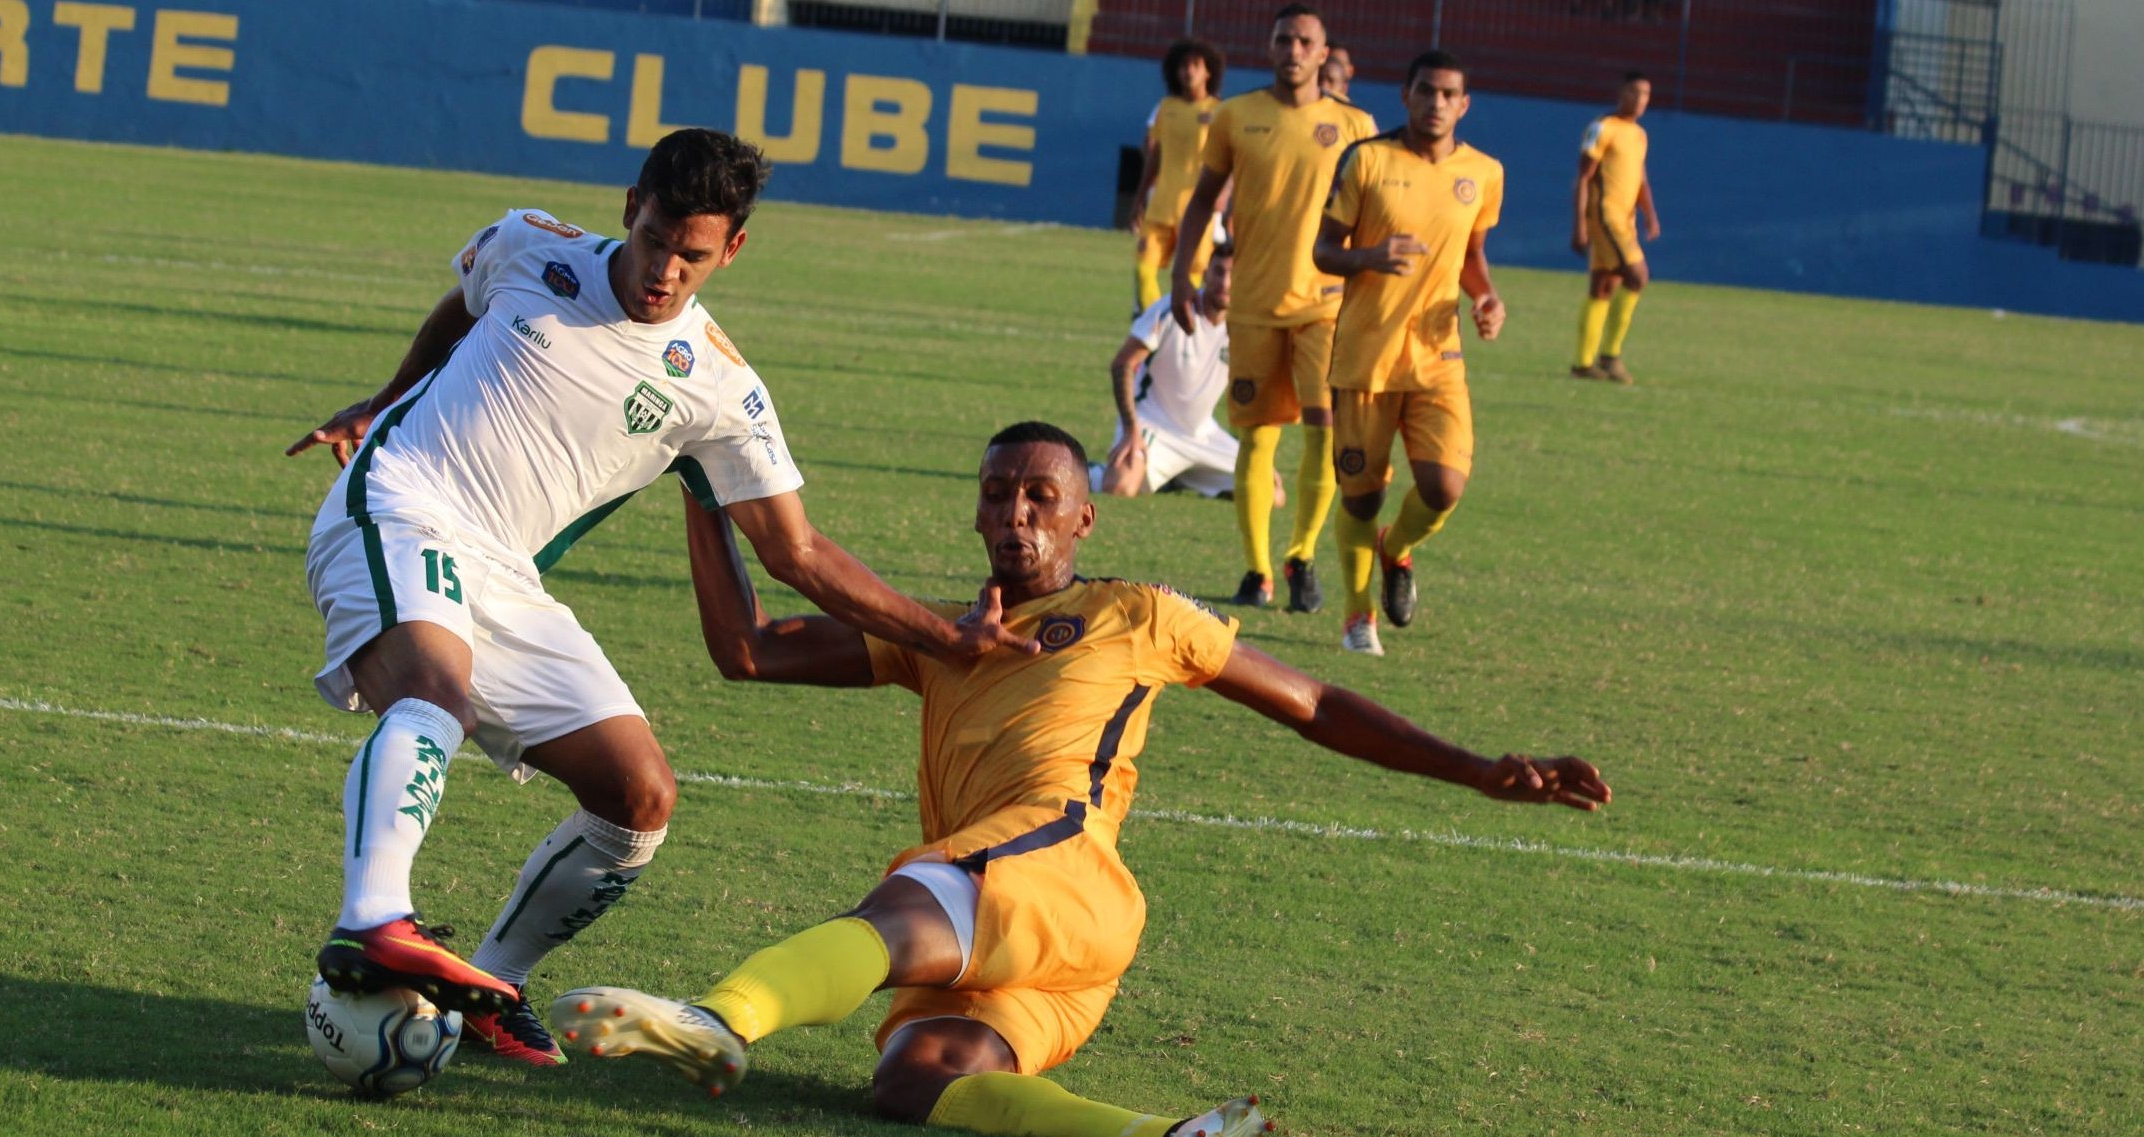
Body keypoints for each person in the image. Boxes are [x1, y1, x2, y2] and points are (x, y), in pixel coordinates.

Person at [549, 422, 1610, 1137]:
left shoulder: (1135, 614)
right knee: (913, 1078)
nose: (1016, 513)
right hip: (1033, 944)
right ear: (973, 514)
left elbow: (1314, 703)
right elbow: (745, 649)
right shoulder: (937, 638)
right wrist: (708, 488)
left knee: (900, 907)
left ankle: (719, 1018)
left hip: (1054, 872)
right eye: (997, 494)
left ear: (1081, 518)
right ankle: (1170, 1136)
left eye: (1040, 497)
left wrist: (1477, 771)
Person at [281, 128, 1033, 1067]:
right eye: (656, 241)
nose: (666, 271)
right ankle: (374, 916)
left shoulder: (721, 389)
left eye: (694, 256)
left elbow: (794, 550)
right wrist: (385, 397)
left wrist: (944, 636)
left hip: (504, 574)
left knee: (638, 797)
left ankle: (490, 982)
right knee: (435, 692)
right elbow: (460, 307)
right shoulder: (532, 244)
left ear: (734, 251)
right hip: (400, 503)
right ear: (631, 205)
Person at [1171, 4, 1376, 614]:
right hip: (1254, 303)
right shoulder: (1237, 115)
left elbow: (1374, 213)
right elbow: (1202, 201)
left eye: (1304, 41)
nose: (1293, 49)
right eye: (1283, 39)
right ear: (1270, 48)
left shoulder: (1357, 124)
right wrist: (1184, 274)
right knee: (1256, 440)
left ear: (1322, 53)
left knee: (1325, 432)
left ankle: (1302, 554)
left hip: (1327, 304)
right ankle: (1258, 571)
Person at [1311, 51, 1505, 648]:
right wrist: (1368, 258)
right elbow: (1323, 251)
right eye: (1427, 91)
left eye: (1449, 94)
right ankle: (1358, 613)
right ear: (1406, 95)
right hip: (1365, 356)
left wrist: (1487, 298)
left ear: (1464, 104)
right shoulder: (1367, 159)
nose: (1437, 102)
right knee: (1361, 498)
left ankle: (1397, 549)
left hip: (1437, 354)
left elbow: (1470, 257)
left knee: (1444, 487)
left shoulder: (1484, 172)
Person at [1093, 244, 1253, 500]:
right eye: (1219, 272)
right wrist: (1130, 428)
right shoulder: (1174, 309)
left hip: (1202, 434)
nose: (1225, 282)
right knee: (1120, 487)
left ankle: (1177, 476)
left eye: (1234, 274)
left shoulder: (1244, 326)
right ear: (1205, 273)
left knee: (1271, 492)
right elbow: (1122, 363)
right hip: (1152, 425)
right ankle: (1095, 474)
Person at [1571, 71, 1658, 384]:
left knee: (1603, 286)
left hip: (1626, 219)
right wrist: (1579, 225)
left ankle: (1583, 364)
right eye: (1634, 92)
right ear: (1621, 93)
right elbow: (1583, 177)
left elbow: (1640, 178)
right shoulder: (1601, 128)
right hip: (1605, 216)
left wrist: (1649, 213)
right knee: (1638, 276)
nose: (1640, 99)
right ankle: (1610, 356)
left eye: (1646, 94)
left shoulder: (1638, 134)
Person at [1131, 39, 1225, 312]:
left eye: (1195, 65)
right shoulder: (1166, 108)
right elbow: (1155, 156)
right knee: (1143, 270)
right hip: (1160, 206)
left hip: (1197, 210)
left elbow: (1228, 161)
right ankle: (1155, 327)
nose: (1188, 71)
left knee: (1192, 280)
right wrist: (1139, 198)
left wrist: (1225, 195)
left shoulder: (1218, 111)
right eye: (1183, 66)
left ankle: (1184, 334)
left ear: (1209, 72)